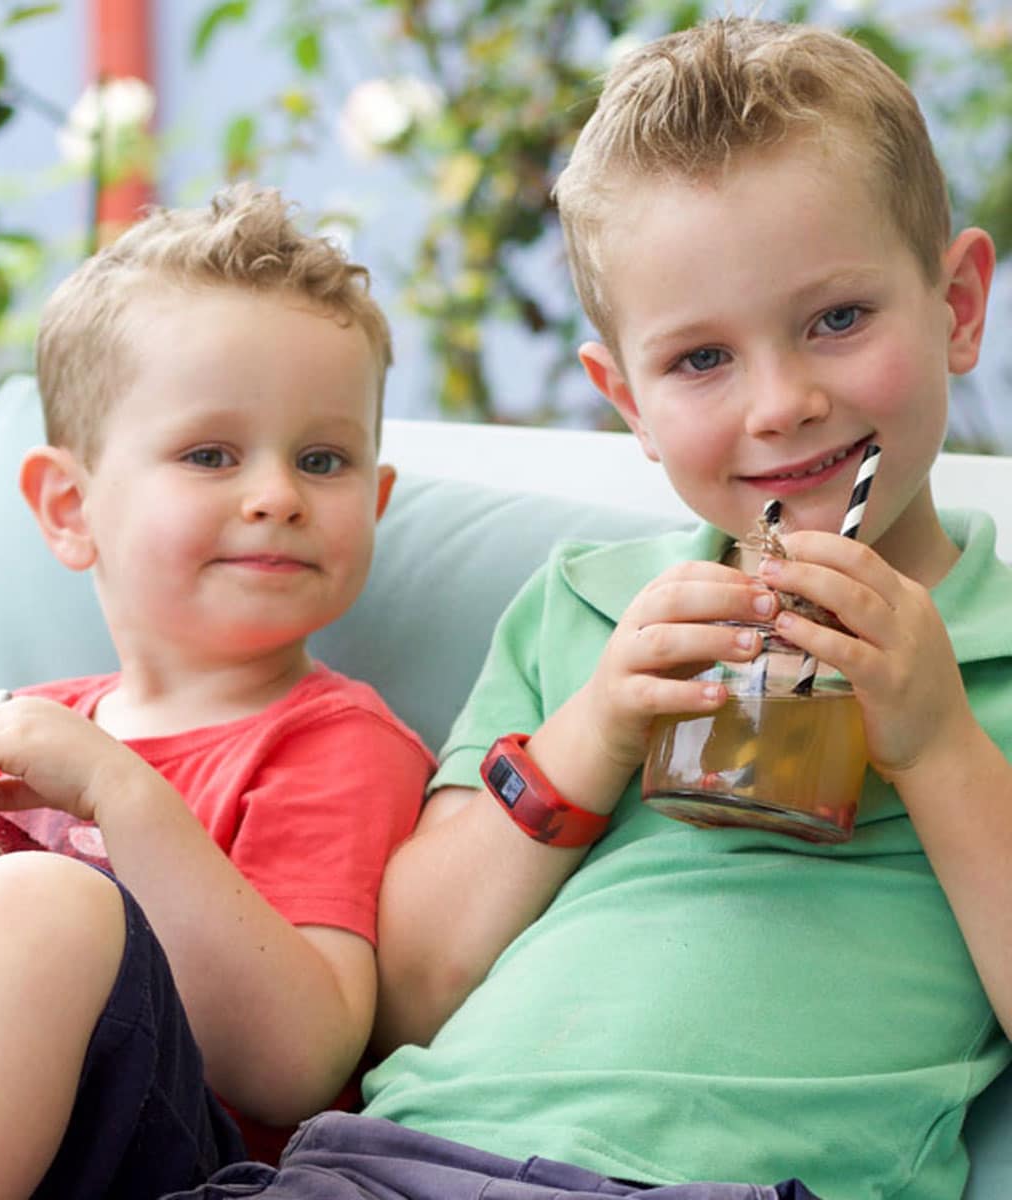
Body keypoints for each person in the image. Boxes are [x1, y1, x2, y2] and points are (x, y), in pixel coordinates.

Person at [113, 14, 1008, 1200]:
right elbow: (409, 992)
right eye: (700, 361)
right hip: (400, 1159)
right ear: (625, 398)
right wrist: (590, 732)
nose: (782, 403)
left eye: (837, 320)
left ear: (955, 309)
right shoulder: (582, 609)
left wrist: (941, 742)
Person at [0, 185, 433, 1197]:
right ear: (70, 507)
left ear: (375, 499)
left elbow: (296, 1065)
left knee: (50, 907)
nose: (276, 493)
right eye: (211, 455)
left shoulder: (337, 743)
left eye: (323, 460)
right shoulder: (37, 729)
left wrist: (122, 797)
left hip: (179, 1164)